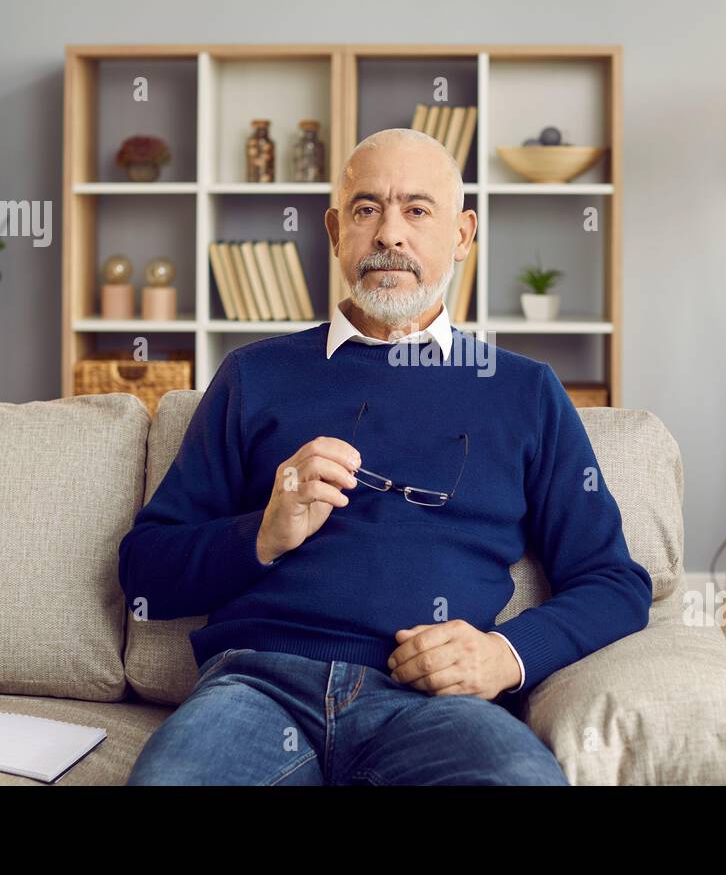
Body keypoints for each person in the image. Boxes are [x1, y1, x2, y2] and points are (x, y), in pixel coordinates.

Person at [120, 127, 652, 785]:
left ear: (461, 235)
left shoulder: (524, 391)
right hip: (257, 692)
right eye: (367, 208)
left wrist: (502, 655)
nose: (389, 235)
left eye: (416, 210)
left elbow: (615, 582)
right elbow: (142, 574)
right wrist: (259, 534)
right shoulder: (255, 376)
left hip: (435, 707)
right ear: (335, 229)